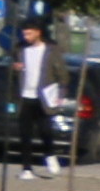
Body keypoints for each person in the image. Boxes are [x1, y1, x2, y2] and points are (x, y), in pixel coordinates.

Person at [12, 22, 69, 180]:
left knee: (45, 129)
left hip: (44, 96)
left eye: (29, 34)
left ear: (38, 32)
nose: (26, 37)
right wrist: (15, 68)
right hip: (24, 96)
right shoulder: (20, 49)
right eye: (24, 34)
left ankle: (50, 154)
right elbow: (13, 68)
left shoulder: (51, 50)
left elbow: (62, 74)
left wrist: (61, 93)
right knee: (25, 134)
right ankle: (26, 169)